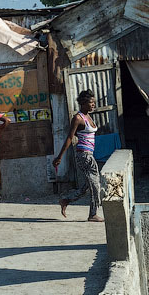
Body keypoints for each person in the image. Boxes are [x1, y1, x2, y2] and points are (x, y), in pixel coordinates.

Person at [53, 90, 102, 222]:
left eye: (94, 102)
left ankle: (66, 200)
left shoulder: (89, 117)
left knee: (88, 185)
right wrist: (59, 157)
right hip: (84, 156)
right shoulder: (78, 118)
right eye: (91, 102)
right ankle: (93, 214)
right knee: (95, 185)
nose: (93, 105)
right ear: (83, 103)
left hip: (89, 154)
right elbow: (70, 137)